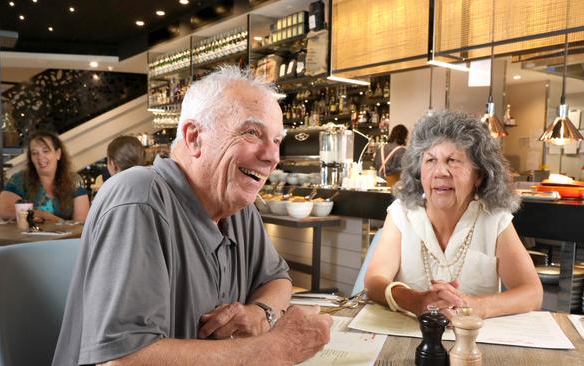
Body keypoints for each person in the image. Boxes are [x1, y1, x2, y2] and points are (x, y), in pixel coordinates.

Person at [53, 66, 332, 366]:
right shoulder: (139, 198)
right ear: (194, 137)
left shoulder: (238, 208)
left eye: (276, 140)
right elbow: (122, 361)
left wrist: (261, 312)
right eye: (252, 133)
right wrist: (275, 349)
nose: (272, 156)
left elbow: (278, 279)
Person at [365, 111, 542, 320]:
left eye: (453, 160)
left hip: (472, 343)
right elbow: (374, 282)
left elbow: (532, 293)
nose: (440, 172)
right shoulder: (401, 214)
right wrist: (415, 301)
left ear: (479, 175)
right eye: (430, 160)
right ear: (418, 171)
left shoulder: (494, 220)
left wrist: (475, 306)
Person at [0, 131, 90, 222]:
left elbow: (81, 222)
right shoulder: (20, 179)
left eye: (46, 151)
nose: (40, 157)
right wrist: (42, 215)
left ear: (58, 154)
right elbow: (1, 211)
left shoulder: (74, 180)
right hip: (30, 238)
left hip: (66, 238)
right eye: (34, 153)